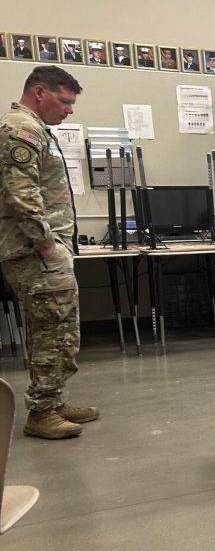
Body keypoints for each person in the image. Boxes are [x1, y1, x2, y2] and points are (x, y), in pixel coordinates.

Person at [1, 67, 90, 440]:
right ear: (39, 92)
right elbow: (22, 196)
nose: (69, 111)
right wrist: (48, 245)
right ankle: (41, 412)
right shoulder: (19, 130)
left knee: (61, 329)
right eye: (65, 101)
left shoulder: (36, 129)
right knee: (50, 331)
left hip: (45, 250)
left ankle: (53, 401)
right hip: (35, 251)